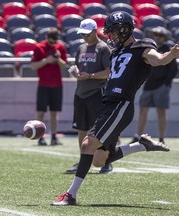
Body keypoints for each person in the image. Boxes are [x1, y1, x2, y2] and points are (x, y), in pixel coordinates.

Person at [51, 11, 179, 206]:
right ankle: (141, 145)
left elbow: (157, 60)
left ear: (124, 29)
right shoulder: (116, 52)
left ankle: (70, 195)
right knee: (99, 160)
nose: (111, 36)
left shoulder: (143, 47)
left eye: (113, 32)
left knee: (87, 144)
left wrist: (169, 55)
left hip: (121, 104)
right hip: (109, 104)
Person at [65, 19, 113, 174]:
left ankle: (107, 161)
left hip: (96, 93)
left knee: (101, 130)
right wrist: (75, 74)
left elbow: (108, 72)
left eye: (86, 34)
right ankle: (83, 162)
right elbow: (80, 71)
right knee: (81, 129)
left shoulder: (103, 48)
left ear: (94, 31)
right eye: (82, 34)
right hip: (80, 93)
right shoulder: (81, 48)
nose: (84, 37)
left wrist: (90, 76)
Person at [131, 26, 179, 144]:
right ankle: (138, 136)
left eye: (160, 35)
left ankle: (161, 138)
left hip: (161, 86)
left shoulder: (168, 50)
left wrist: (166, 84)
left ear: (164, 37)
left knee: (161, 112)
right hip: (148, 85)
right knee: (142, 111)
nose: (157, 37)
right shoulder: (149, 49)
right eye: (156, 34)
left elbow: (173, 70)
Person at [31, 28, 67, 146]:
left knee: (54, 112)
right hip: (43, 84)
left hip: (57, 84)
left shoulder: (60, 47)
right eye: (51, 42)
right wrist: (46, 60)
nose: (53, 44)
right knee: (40, 112)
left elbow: (63, 66)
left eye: (54, 42)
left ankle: (53, 137)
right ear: (46, 37)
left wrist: (58, 58)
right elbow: (33, 66)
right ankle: (39, 137)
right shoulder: (38, 47)